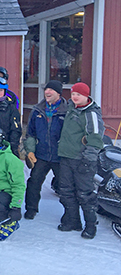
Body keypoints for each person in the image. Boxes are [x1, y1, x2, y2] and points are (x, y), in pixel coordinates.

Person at [57, 82, 104, 239]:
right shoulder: (71, 109)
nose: (75, 97)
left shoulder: (90, 113)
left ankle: (90, 225)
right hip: (66, 157)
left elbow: (96, 138)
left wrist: (89, 158)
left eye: (79, 94)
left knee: (84, 194)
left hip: (82, 160)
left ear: (86, 96)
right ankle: (73, 221)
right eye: (73, 94)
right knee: (66, 191)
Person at [24, 80, 68, 220]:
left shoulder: (67, 111)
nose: (47, 92)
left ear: (58, 94)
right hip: (41, 155)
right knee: (33, 182)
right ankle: (31, 209)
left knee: (66, 187)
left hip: (60, 156)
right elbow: (30, 133)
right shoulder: (37, 110)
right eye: (46, 89)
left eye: (51, 90)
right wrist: (30, 151)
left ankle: (70, 215)